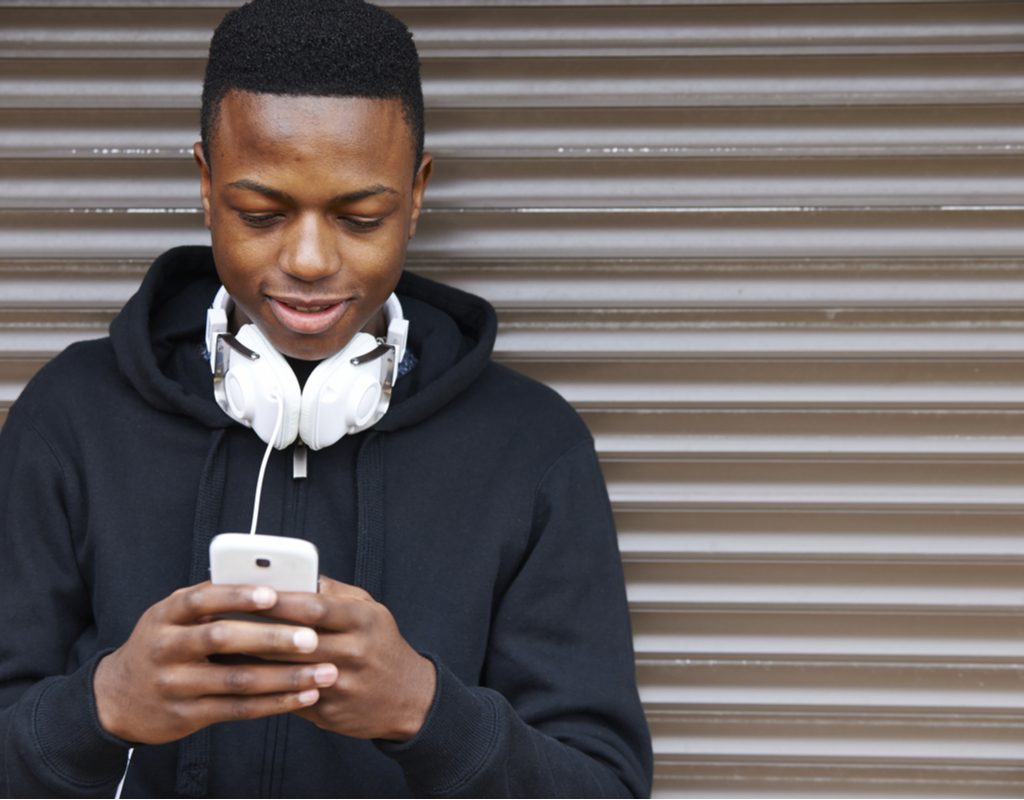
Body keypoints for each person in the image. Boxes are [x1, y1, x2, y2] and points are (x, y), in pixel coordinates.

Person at [0, 0, 653, 796]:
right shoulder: (72, 416)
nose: (309, 260)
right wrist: (101, 708)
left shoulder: (530, 447)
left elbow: (604, 786)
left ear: (417, 194)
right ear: (205, 185)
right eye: (261, 213)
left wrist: (425, 710)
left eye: (361, 216)